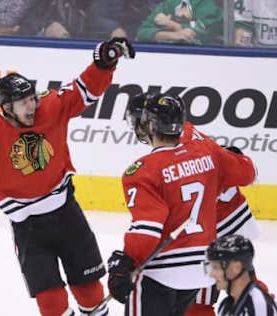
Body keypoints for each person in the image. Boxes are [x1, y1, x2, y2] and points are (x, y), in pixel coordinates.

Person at [0, 37, 135, 316]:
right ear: (7, 108)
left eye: (32, 98)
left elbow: (85, 90)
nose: (32, 106)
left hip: (66, 214)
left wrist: (104, 62)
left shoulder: (50, 106)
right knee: (51, 303)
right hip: (28, 229)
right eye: (23, 102)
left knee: (89, 291)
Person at [107, 93, 256, 316]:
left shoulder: (142, 170)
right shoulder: (208, 152)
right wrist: (231, 156)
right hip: (203, 267)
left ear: (149, 124)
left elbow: (148, 229)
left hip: (163, 271)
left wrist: (124, 264)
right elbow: (247, 173)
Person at [205, 235, 277, 316]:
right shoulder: (226, 305)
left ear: (236, 267)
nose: (211, 275)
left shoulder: (258, 305)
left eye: (216, 268)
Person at [137, 0, 223, 45]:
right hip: (164, 57)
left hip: (198, 61)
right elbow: (142, 33)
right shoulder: (170, 2)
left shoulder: (208, 5)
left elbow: (198, 35)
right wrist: (175, 35)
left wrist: (171, 24)